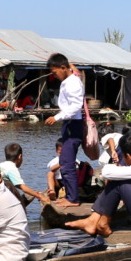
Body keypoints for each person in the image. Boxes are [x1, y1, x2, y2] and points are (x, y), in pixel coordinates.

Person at [43, 53, 84, 207]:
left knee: (67, 163)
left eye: (55, 72)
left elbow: (76, 106)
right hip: (69, 123)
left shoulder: (73, 83)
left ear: (63, 67)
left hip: (73, 124)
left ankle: (73, 199)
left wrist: (57, 117)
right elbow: (74, 70)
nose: (54, 76)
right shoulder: (70, 79)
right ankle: (69, 196)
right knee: (65, 162)